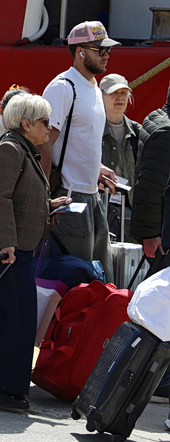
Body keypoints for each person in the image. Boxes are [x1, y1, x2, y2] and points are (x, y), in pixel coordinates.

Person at [0, 94, 71, 413]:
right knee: (19, 315)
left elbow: (16, 197)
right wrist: (7, 244)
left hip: (14, 245)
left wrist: (49, 205)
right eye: (45, 121)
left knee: (2, 313)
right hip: (8, 247)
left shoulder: (21, 149)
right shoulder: (10, 149)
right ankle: (5, 387)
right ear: (26, 124)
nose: (49, 127)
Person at [40, 21, 119, 280]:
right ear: (80, 52)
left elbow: (80, 140)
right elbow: (43, 144)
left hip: (92, 197)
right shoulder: (63, 87)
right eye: (100, 49)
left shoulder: (94, 88)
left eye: (108, 49)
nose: (106, 55)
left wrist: (97, 168)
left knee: (97, 279)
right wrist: (44, 200)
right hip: (68, 198)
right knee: (74, 281)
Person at [99, 74, 141, 241]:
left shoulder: (138, 132)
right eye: (113, 93)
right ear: (101, 96)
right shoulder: (91, 130)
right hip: (99, 210)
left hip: (129, 213)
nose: (120, 97)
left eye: (124, 93)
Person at [133, 83, 170, 257]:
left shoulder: (157, 117)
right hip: (162, 239)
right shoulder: (166, 132)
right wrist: (150, 235)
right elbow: (150, 188)